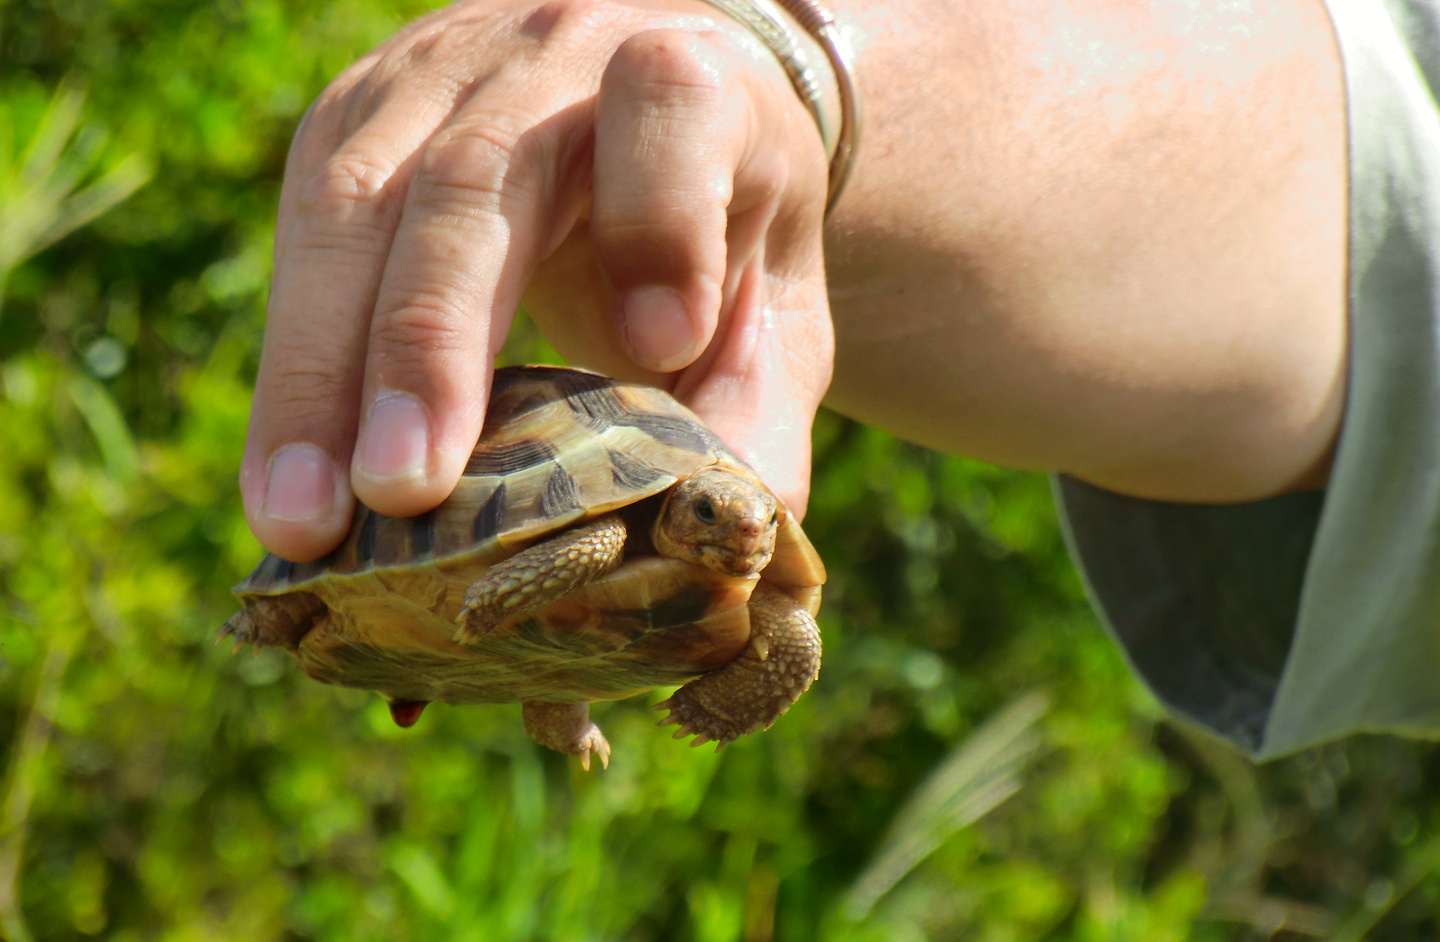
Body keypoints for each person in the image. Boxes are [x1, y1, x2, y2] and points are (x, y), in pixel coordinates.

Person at [238, 0, 1440, 758]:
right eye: (717, 510)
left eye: (734, 516)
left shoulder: (735, 581)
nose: (739, 531)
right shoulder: (628, 533)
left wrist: (623, 670)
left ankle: (523, 686)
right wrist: (795, 75)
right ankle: (283, 601)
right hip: (476, 595)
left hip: (508, 639)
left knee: (783, 638)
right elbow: (1363, 168)